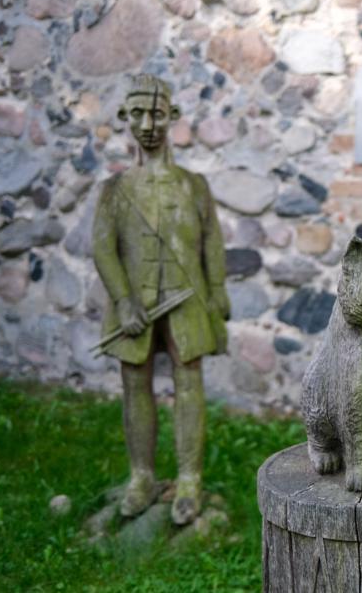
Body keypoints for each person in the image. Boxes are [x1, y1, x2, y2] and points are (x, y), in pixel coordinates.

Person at [92, 74, 230, 525]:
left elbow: (211, 240)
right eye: (137, 114)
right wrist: (124, 300)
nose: (148, 123)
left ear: (172, 116)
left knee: (189, 378)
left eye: (156, 113)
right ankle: (141, 476)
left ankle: (189, 478)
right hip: (135, 303)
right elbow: (103, 248)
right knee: (135, 381)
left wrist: (217, 292)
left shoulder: (194, 185)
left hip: (186, 300)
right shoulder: (114, 190)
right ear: (124, 119)